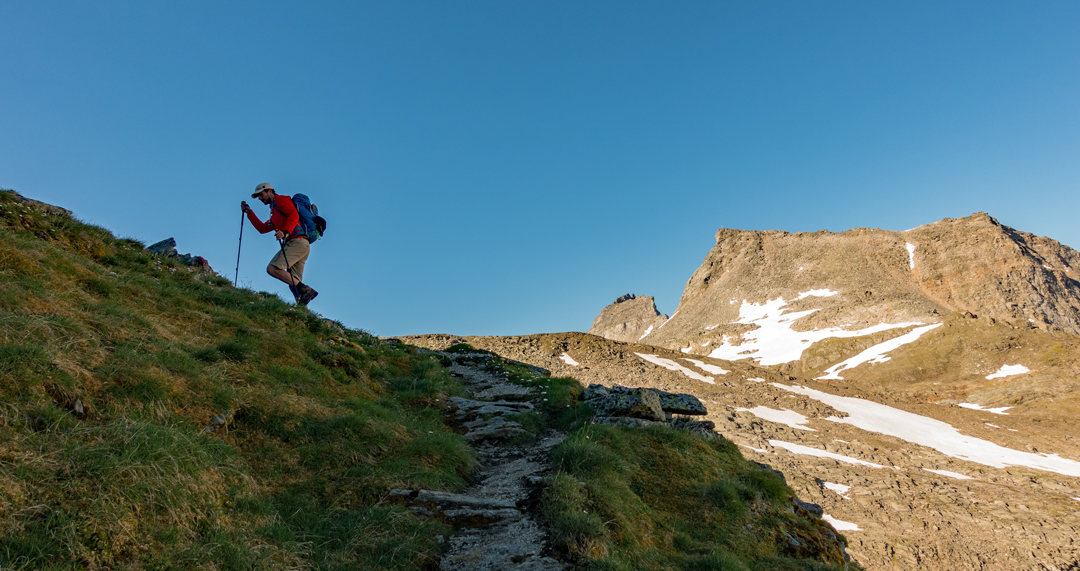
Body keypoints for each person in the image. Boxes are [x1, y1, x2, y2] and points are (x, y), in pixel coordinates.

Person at [241, 183, 319, 305]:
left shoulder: (280, 200)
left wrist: (285, 232)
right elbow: (262, 228)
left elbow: (293, 215)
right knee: (294, 281)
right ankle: (303, 311)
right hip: (301, 244)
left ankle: (307, 290)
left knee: (272, 268)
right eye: (258, 197)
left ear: (270, 191)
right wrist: (249, 212)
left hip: (296, 242)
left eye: (261, 194)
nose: (260, 198)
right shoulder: (274, 213)